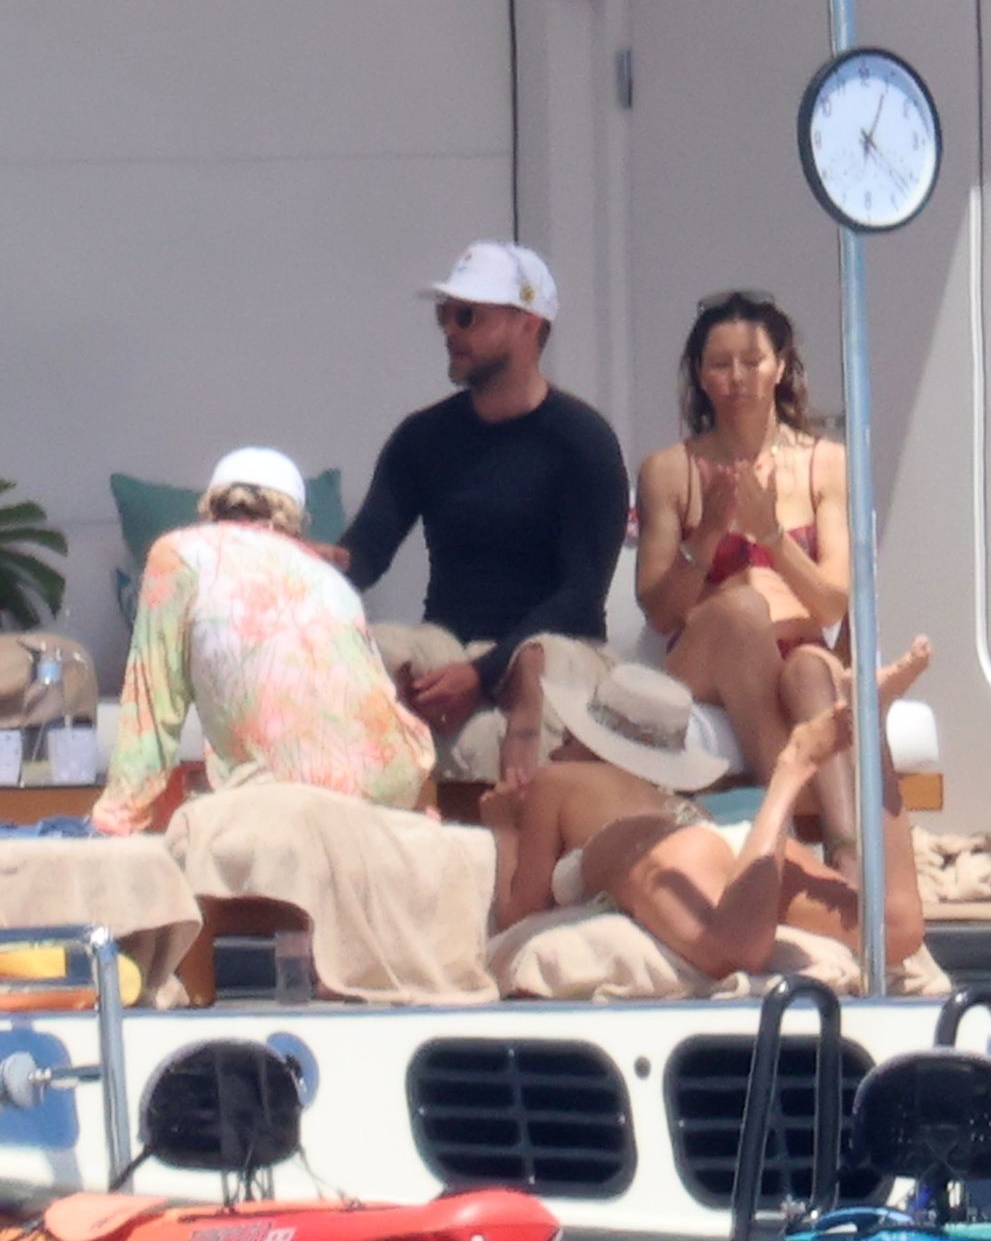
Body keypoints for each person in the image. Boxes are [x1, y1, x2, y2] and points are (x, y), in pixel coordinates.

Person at [634, 288, 931, 886]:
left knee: (809, 672)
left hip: (798, 644)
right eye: (720, 364)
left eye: (753, 361)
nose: (737, 378)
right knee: (743, 609)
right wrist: (709, 534)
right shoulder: (669, 470)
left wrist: (771, 534)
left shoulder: (828, 463)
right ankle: (787, 842)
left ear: (781, 366)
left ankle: (846, 859)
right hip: (706, 653)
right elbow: (660, 611)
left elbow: (832, 601)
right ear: (700, 375)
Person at [336, 240, 630, 785]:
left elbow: (580, 596)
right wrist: (306, 563)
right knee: (357, 650)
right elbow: (366, 552)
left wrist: (482, 672)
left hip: (557, 648)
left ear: (528, 324)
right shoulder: (422, 437)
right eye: (444, 315)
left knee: (535, 664)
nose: (450, 330)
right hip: (448, 641)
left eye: (467, 315)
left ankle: (521, 811)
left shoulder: (583, 441)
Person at [482, 661, 925, 978]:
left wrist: (503, 826)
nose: (558, 750)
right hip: (734, 841)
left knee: (732, 950)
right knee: (895, 930)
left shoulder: (558, 780)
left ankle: (793, 766)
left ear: (590, 740)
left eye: (568, 737)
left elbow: (520, 912)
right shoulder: (672, 801)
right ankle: (876, 733)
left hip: (668, 856)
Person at [92, 448, 435, 836]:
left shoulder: (180, 554)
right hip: (387, 787)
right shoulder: (330, 579)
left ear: (212, 504)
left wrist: (117, 819)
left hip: (282, 796)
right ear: (295, 518)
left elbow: (153, 709)